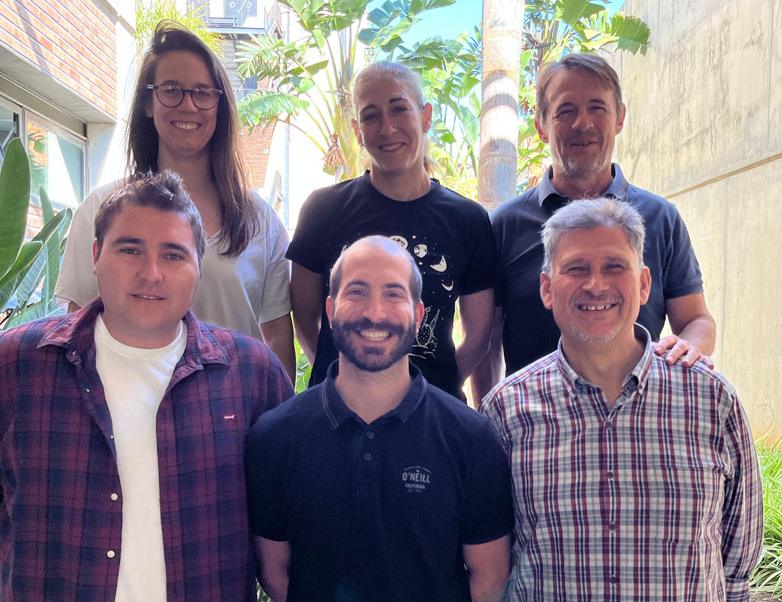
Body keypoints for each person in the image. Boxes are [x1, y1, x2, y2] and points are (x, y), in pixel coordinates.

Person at [0, 171, 294, 602]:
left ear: (198, 268)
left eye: (173, 255)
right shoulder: (13, 366)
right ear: (95, 255)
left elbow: (281, 504)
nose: (151, 273)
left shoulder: (253, 376)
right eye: (130, 249)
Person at [480, 198, 762, 601]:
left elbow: (737, 559)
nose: (596, 285)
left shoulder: (712, 402)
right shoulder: (506, 412)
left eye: (614, 266)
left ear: (644, 283)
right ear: (546, 288)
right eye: (576, 268)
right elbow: (492, 561)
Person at [247, 236, 513, 602]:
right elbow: (275, 575)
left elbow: (490, 578)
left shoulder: (471, 438)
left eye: (393, 294)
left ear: (418, 315)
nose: (375, 312)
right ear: (330, 309)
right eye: (356, 292)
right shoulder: (275, 437)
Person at [56, 20, 295, 379]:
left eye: (203, 92)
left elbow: (276, 338)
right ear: (148, 104)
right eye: (171, 90)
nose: (188, 105)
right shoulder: (102, 208)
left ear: (220, 105)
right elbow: (79, 326)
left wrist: (273, 423)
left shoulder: (259, 220)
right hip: (127, 413)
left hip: (232, 418)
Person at [474, 52, 715, 395]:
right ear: (542, 126)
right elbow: (487, 340)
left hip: (642, 422)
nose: (582, 124)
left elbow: (695, 319)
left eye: (597, 107)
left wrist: (688, 350)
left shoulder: (661, 219)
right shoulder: (504, 226)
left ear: (620, 118)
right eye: (566, 110)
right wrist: (489, 420)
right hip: (539, 430)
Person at [287, 60, 496, 401]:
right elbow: (305, 320)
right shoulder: (322, 209)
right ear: (357, 131)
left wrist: (432, 389)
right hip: (339, 413)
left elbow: (479, 335)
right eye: (371, 116)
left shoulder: (468, 219)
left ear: (425, 117)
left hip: (431, 414)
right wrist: (352, 381)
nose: (387, 127)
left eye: (399, 109)